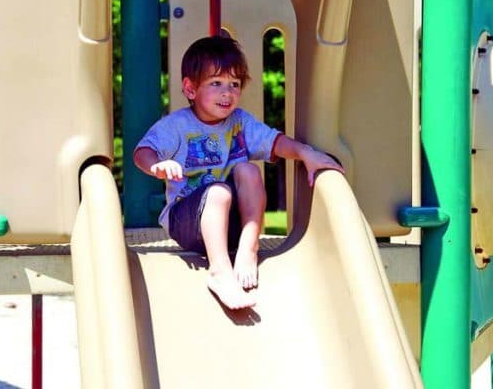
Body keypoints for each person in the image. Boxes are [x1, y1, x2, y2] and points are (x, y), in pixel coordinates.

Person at [133, 36, 343, 310]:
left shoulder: (240, 122)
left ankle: (248, 248)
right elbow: (143, 152)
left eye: (234, 84)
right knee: (219, 192)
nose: (227, 92)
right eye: (216, 83)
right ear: (190, 88)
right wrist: (157, 166)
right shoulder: (176, 126)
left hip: (231, 225)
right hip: (187, 222)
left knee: (248, 170)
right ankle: (220, 273)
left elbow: (275, 142)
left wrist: (305, 152)